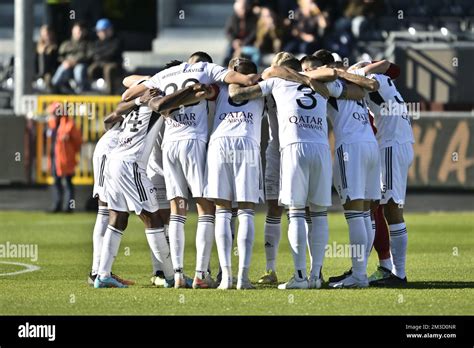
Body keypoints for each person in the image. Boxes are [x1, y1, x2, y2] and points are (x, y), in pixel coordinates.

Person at [128, 51, 260, 289]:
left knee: (177, 209)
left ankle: (178, 274)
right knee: (207, 208)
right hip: (195, 141)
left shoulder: (165, 73)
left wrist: (156, 99)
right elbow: (241, 80)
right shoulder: (208, 71)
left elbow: (128, 88)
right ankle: (201, 273)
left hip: (170, 144)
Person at [229, 52, 341, 289]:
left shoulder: (274, 81)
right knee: (318, 212)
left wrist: (229, 78)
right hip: (319, 147)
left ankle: (300, 277)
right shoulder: (322, 84)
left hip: (291, 147)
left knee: (296, 211)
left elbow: (237, 94)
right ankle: (314, 276)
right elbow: (354, 89)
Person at [349, 59, 414, 286]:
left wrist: (357, 70)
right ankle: (386, 269)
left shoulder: (370, 78)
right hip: (401, 142)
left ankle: (399, 274)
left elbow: (378, 72)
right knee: (381, 206)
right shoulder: (386, 79)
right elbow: (388, 64)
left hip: (391, 144)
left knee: (392, 208)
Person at [203, 57, 265, 290]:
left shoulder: (219, 86)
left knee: (222, 211)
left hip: (220, 143)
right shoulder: (263, 86)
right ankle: (243, 278)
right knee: (246, 209)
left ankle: (226, 277)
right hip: (247, 141)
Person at [47, 102, 82, 213]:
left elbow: (78, 141)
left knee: (67, 182)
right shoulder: (52, 124)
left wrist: (72, 153)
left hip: (66, 159)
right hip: (55, 158)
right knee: (56, 182)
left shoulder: (69, 124)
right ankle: (57, 205)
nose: (53, 115)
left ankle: (69, 207)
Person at [51, 22, 90, 93]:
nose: (79, 33)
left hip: (80, 64)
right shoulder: (66, 44)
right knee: (62, 69)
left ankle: (80, 91)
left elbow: (87, 56)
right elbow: (59, 56)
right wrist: (65, 61)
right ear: (73, 31)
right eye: (77, 31)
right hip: (67, 65)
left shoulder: (87, 44)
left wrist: (74, 61)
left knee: (79, 70)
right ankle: (54, 88)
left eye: (80, 31)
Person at [87, 18, 123, 94]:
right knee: (91, 69)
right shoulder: (96, 42)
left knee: (108, 69)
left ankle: (109, 93)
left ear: (109, 30)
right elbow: (93, 53)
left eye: (102, 30)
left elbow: (112, 54)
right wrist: (99, 56)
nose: (99, 33)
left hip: (114, 64)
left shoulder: (117, 40)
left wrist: (99, 56)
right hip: (100, 63)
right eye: (98, 31)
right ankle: (91, 91)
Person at [224, 0, 258, 65]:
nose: (243, 11)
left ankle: (254, 69)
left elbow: (254, 33)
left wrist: (243, 43)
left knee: (256, 53)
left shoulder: (253, 17)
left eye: (244, 8)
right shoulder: (233, 18)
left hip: (248, 43)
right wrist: (234, 41)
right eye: (241, 9)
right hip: (235, 43)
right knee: (227, 53)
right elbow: (228, 32)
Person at [35, 24, 58, 92]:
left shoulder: (55, 45)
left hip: (50, 71)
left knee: (49, 80)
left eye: (47, 33)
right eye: (44, 32)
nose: (46, 35)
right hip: (37, 72)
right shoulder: (36, 45)